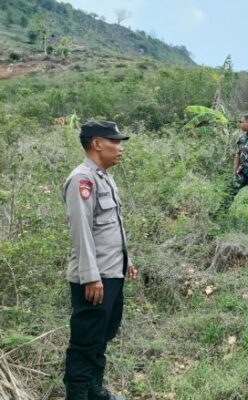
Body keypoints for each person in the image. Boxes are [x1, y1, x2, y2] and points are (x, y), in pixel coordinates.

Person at [62, 121, 138, 400]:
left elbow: (109, 227)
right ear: (97, 144)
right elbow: (81, 232)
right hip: (95, 279)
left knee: (101, 336)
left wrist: (125, 260)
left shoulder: (104, 176)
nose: (120, 148)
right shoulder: (82, 179)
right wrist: (91, 276)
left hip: (111, 273)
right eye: (115, 142)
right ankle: (79, 393)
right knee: (85, 341)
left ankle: (94, 390)